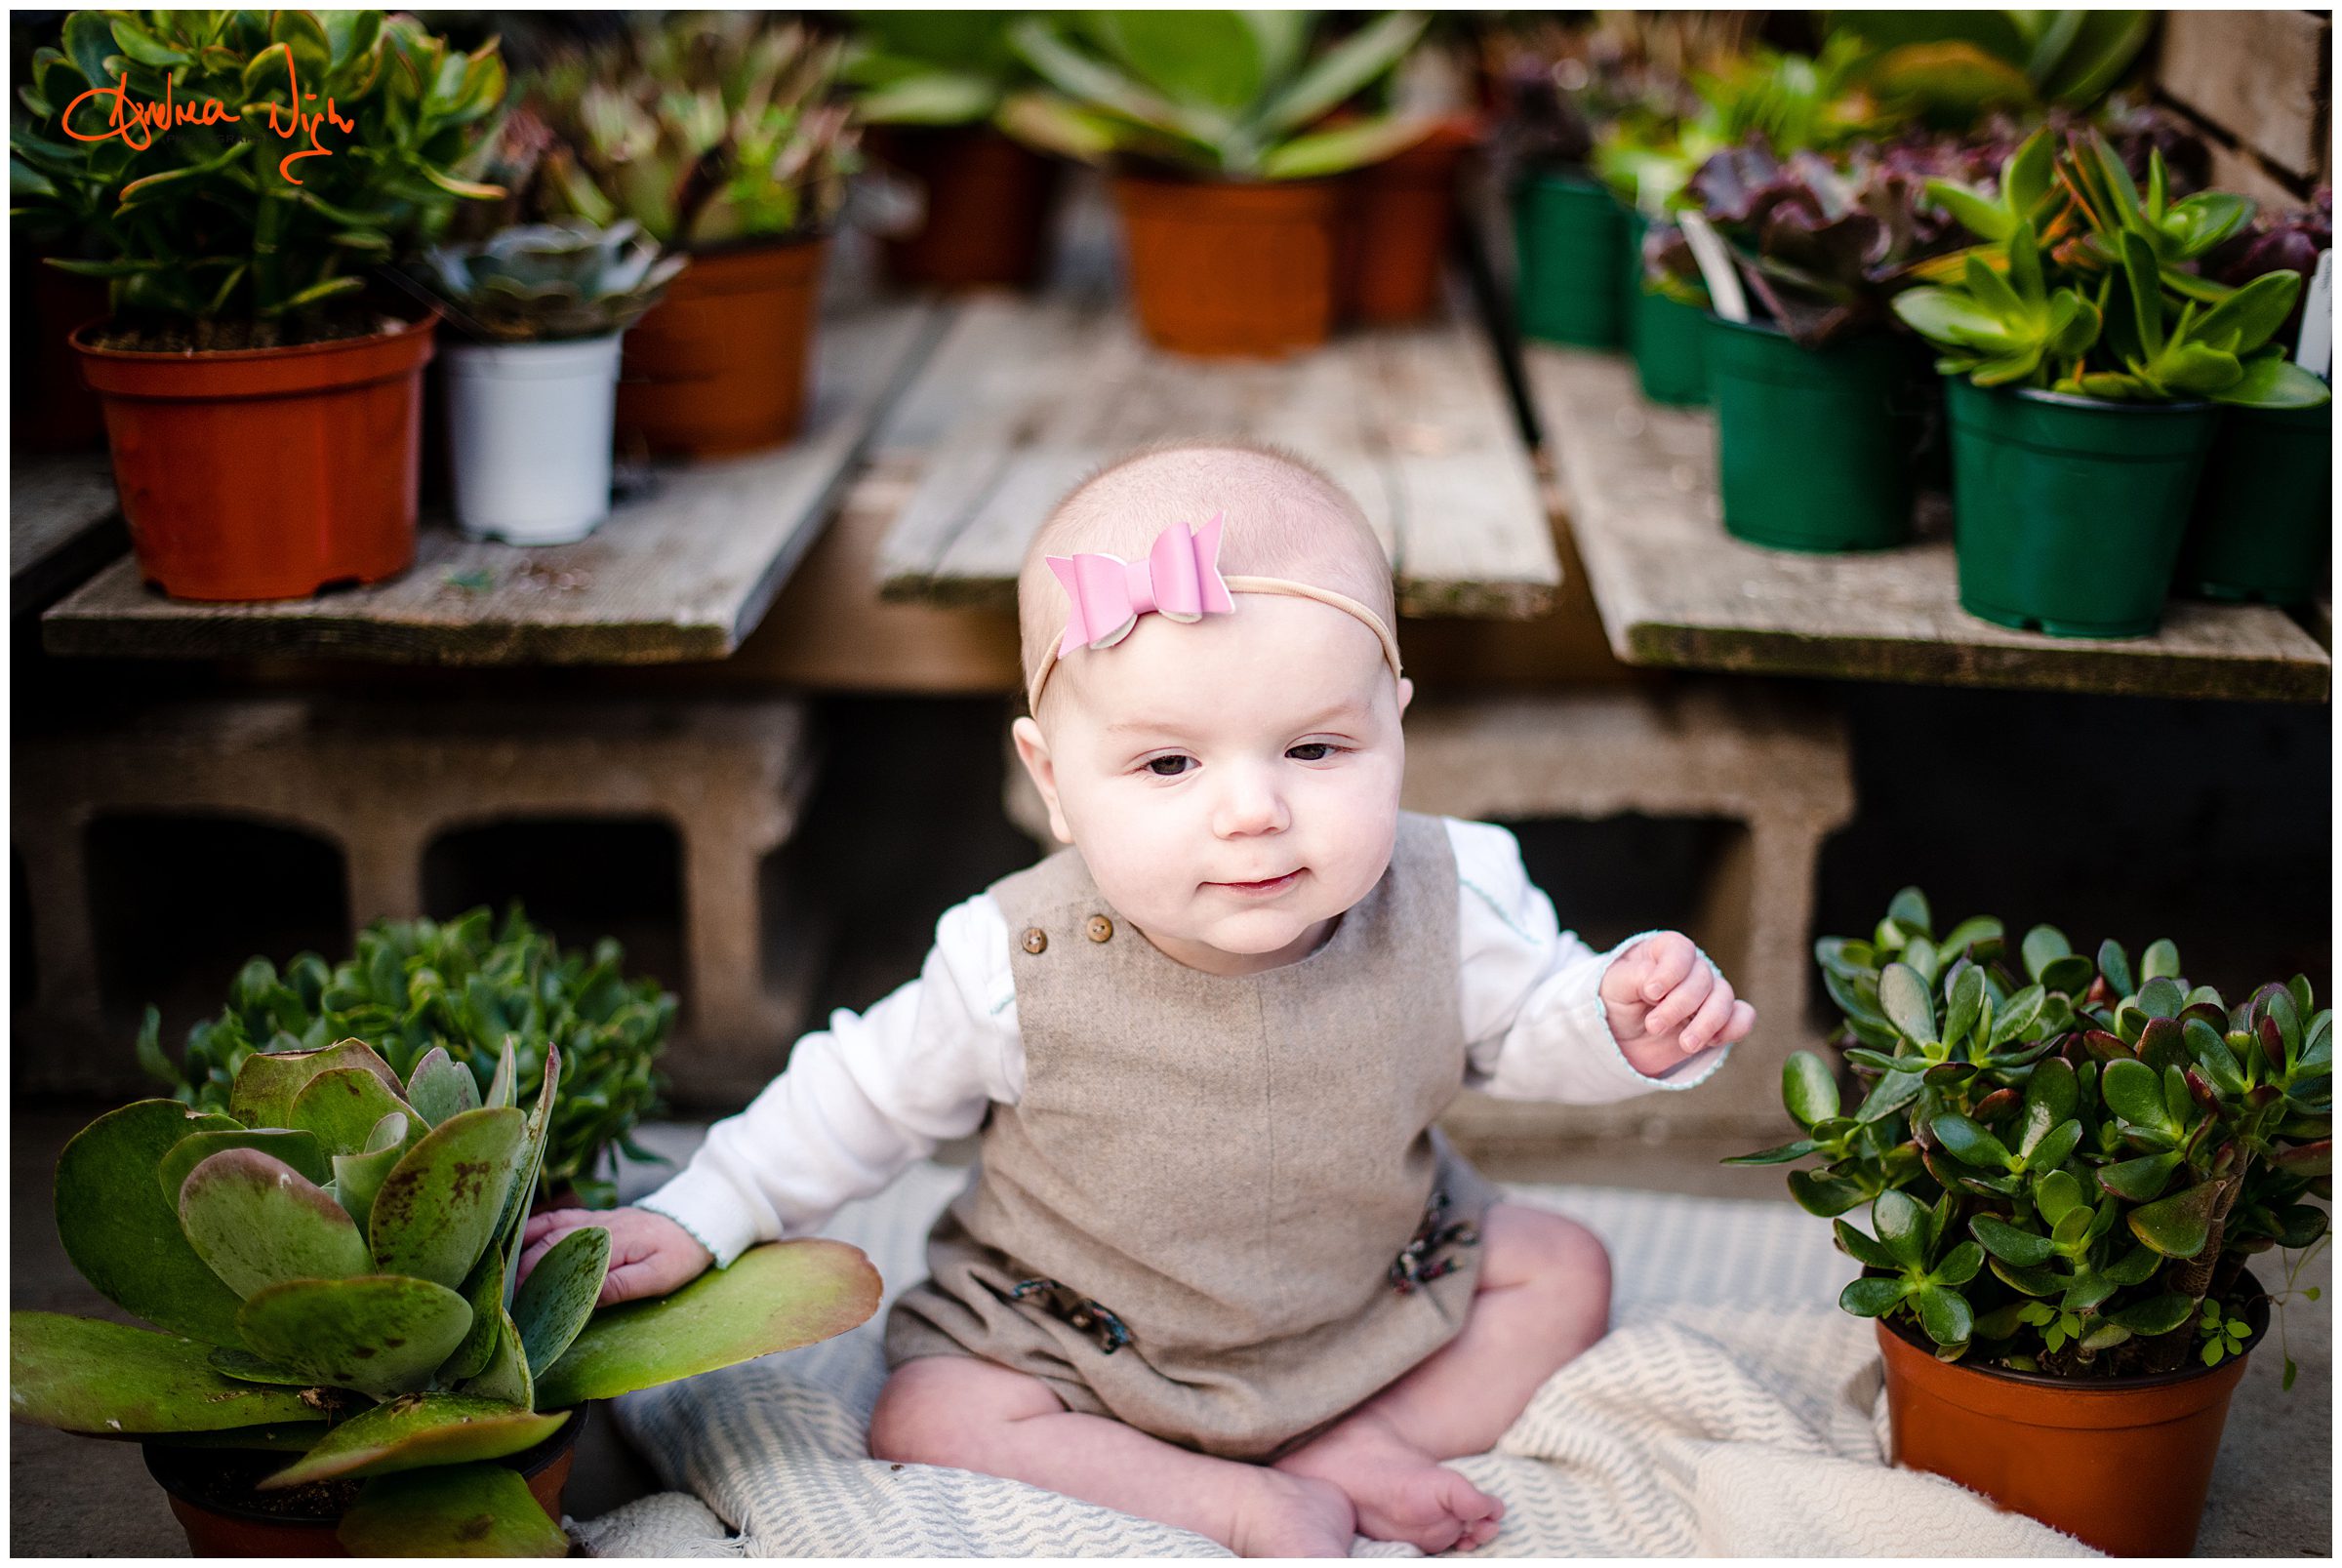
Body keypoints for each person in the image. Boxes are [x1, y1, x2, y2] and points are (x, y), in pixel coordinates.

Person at [520, 441, 1752, 1557]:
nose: (1252, 809)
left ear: (1396, 725)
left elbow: (1528, 1032)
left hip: (1370, 1297)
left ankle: (1358, 1443)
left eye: (1315, 749)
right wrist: (710, 1206)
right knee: (931, 1407)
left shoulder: (1454, 891)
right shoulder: (1015, 957)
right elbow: (857, 1095)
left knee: (1561, 1265)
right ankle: (1223, 1500)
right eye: (1168, 762)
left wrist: (1613, 1021)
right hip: (1079, 1336)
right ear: (1053, 782)